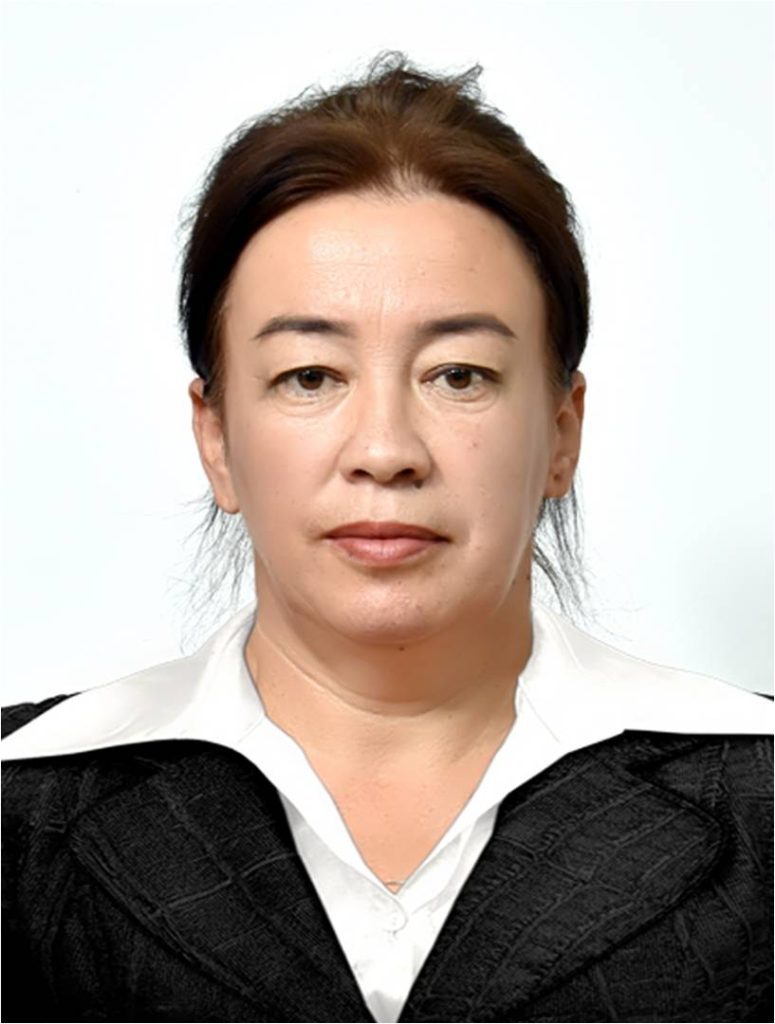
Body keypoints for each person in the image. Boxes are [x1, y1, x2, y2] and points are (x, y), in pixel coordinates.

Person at [2, 51, 772, 1024]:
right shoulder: (22, 810)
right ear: (217, 439)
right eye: (309, 377)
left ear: (561, 434)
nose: (384, 451)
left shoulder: (757, 799)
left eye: (459, 375)